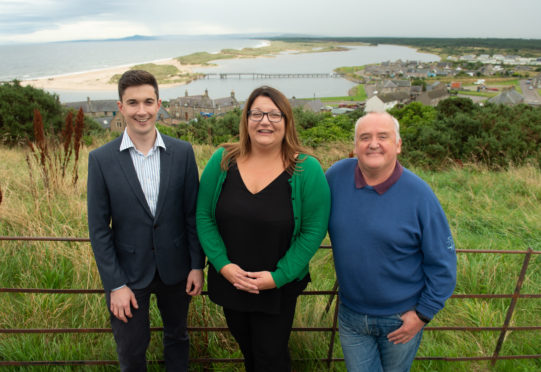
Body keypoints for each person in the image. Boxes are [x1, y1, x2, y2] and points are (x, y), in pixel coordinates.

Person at [196, 86, 330, 372]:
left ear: (286, 121)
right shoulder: (222, 160)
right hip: (232, 281)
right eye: (256, 113)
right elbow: (204, 217)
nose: (264, 121)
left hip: (278, 287)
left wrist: (278, 277)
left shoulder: (307, 169)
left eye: (274, 114)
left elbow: (313, 231)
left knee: (271, 356)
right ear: (246, 120)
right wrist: (222, 265)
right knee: (250, 353)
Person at [87, 70, 205, 371]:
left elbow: (192, 214)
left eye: (148, 102)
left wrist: (196, 265)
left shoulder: (182, 153)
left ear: (159, 104)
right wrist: (115, 284)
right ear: (121, 107)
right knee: (130, 349)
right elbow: (99, 229)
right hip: (127, 273)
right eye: (133, 103)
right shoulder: (101, 160)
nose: (142, 111)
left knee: (177, 338)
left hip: (177, 269)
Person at [326, 112, 456, 372]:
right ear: (355, 146)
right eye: (365, 137)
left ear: (398, 145)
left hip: (400, 318)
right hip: (351, 315)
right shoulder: (335, 177)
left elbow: (443, 261)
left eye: (382, 136)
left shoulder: (419, 195)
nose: (373, 143)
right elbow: (308, 219)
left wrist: (422, 315)